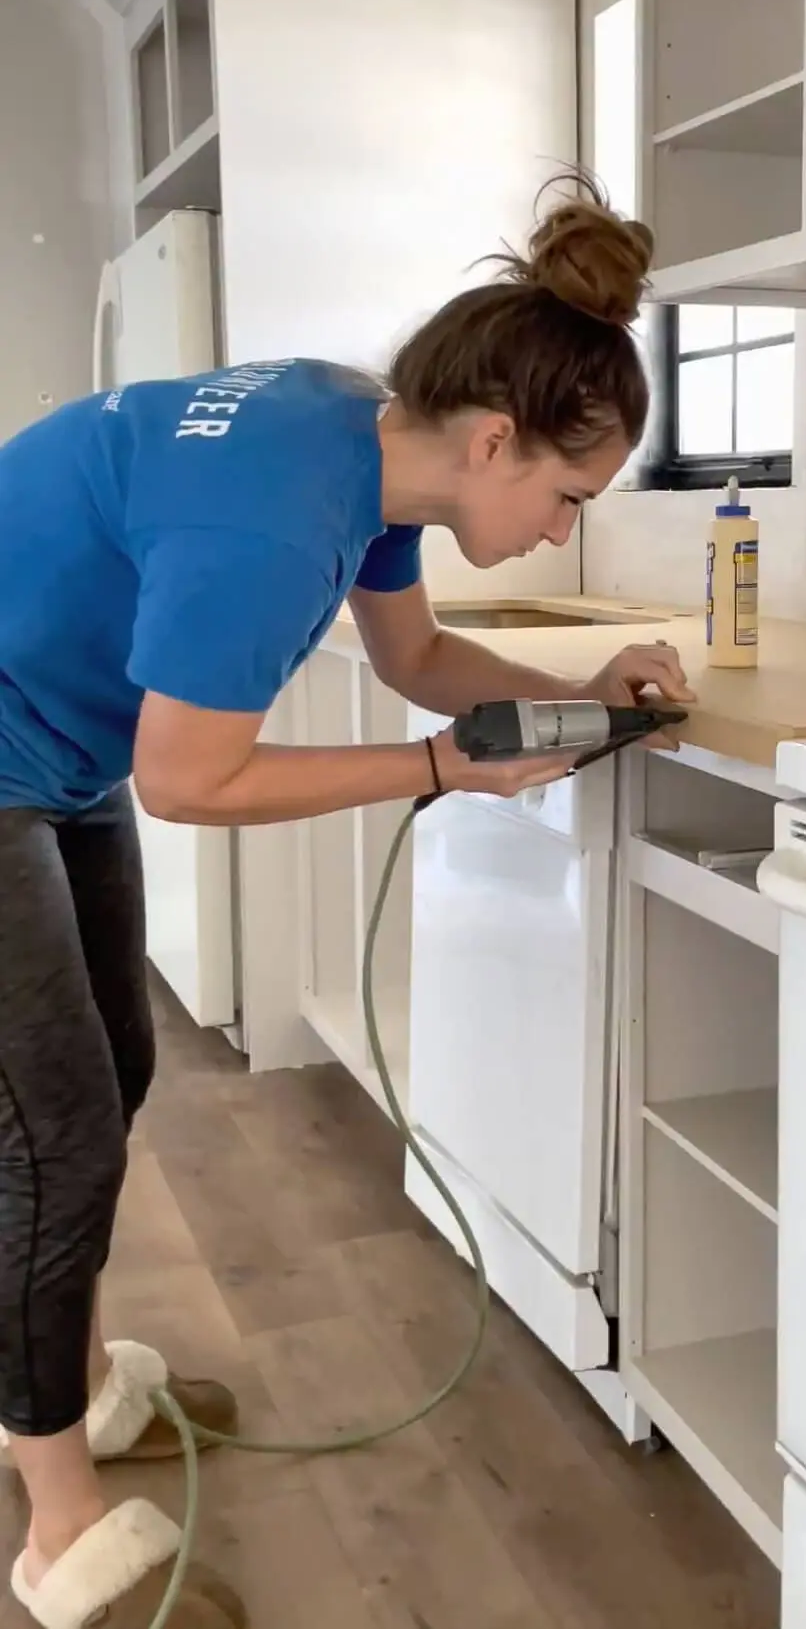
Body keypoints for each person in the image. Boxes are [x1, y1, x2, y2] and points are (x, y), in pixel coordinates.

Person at [0, 169, 693, 1628]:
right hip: (16, 743)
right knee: (53, 1131)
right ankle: (57, 1527)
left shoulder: (358, 429)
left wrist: (577, 689)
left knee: (107, 1074)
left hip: (53, 744)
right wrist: (437, 774)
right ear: (496, 438)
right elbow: (194, 782)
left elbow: (421, 663)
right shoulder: (273, 525)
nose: (567, 530)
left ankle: (61, 1378)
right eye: (568, 497)